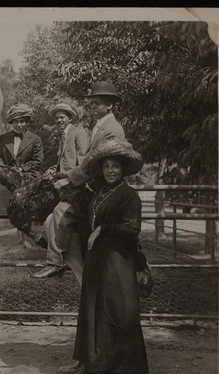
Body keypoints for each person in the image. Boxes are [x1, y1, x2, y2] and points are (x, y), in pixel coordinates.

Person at [59, 139, 148, 374]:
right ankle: (93, 364)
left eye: (115, 166)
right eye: (107, 166)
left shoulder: (129, 196)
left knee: (120, 313)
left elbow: (133, 228)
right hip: (97, 260)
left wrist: (102, 229)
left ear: (123, 169)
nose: (110, 170)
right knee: (93, 310)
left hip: (119, 261)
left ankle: (124, 372)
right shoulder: (99, 193)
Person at [32, 81, 126, 279]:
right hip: (92, 185)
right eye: (91, 103)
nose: (91, 107)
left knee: (60, 210)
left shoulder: (112, 129)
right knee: (51, 216)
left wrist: (68, 180)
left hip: (100, 188)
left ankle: (54, 262)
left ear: (109, 105)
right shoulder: (100, 127)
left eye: (97, 103)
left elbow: (93, 164)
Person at [31, 102, 89, 278]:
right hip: (66, 185)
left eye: (62, 117)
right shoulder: (63, 137)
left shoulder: (79, 133)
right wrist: (53, 170)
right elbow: (64, 163)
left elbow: (85, 165)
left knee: (58, 213)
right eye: (56, 118)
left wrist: (66, 179)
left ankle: (54, 262)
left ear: (70, 118)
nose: (59, 120)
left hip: (79, 187)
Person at [0, 104, 44, 216]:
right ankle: (3, 216)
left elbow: (38, 161)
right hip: (9, 173)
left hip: (28, 174)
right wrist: (1, 172)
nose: (19, 125)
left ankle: (26, 216)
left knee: (29, 190)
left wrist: (21, 169)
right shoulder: (4, 138)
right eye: (16, 122)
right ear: (12, 122)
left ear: (26, 122)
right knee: (1, 186)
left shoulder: (35, 139)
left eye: (22, 121)